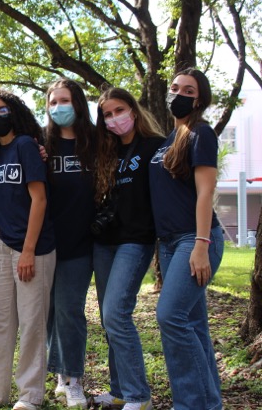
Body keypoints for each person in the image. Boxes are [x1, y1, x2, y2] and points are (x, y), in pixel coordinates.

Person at [0, 89, 56, 410]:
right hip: (0, 245)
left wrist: (28, 250)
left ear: (15, 112)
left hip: (33, 248)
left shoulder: (25, 146)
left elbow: (40, 199)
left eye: (1, 110)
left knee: (32, 323)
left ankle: (29, 395)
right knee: (0, 322)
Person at [150, 68, 224, 410]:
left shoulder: (201, 133)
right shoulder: (169, 138)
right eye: (175, 87)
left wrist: (201, 244)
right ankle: (210, 403)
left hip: (192, 240)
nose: (178, 93)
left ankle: (193, 404)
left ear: (199, 99)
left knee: (170, 316)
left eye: (188, 90)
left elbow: (206, 192)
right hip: (168, 243)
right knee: (193, 323)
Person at [90, 88, 165, 410]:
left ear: (133, 111)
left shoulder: (154, 146)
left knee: (116, 315)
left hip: (136, 240)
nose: (113, 118)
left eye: (118, 110)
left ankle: (139, 395)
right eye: (106, 114)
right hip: (105, 242)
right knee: (110, 320)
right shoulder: (104, 152)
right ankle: (119, 389)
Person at [43, 79, 96, 408]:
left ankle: (75, 380)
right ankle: (60, 378)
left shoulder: (96, 142)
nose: (59, 107)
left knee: (69, 310)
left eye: (65, 100)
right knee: (49, 313)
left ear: (78, 103)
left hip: (82, 244)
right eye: (53, 101)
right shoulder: (41, 143)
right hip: (47, 243)